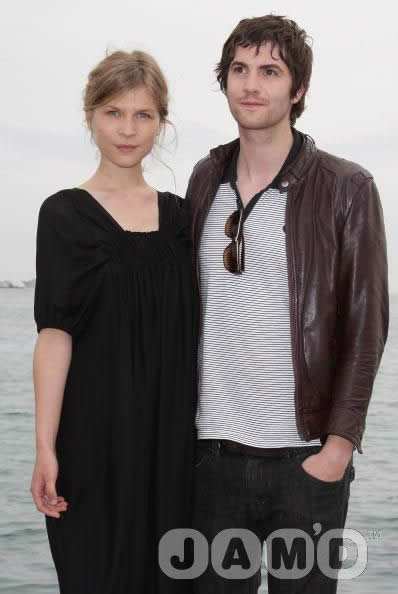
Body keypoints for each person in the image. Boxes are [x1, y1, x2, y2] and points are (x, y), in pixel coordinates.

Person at [185, 14, 389, 593]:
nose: (251, 84)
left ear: (297, 89)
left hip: (304, 463)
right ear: (224, 81)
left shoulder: (345, 187)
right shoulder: (204, 180)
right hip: (212, 460)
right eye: (239, 70)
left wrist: (337, 449)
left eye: (270, 71)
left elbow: (366, 323)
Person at [30, 49, 199, 593]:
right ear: (90, 117)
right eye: (113, 112)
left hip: (176, 445)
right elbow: (55, 335)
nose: (128, 129)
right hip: (92, 442)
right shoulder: (63, 216)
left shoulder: (183, 219)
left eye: (143, 115)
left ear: (161, 124)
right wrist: (45, 446)